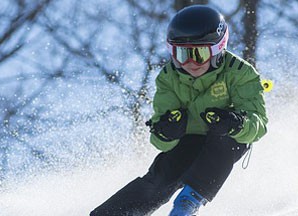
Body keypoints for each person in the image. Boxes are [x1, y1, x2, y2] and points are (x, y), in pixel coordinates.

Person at [91, 5, 267, 216]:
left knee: (225, 140)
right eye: (181, 54)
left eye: (199, 54)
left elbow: (259, 125)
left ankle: (187, 203)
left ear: (217, 49)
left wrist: (237, 123)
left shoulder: (240, 73)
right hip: (188, 140)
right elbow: (159, 142)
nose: (190, 63)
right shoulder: (169, 78)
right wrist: (166, 131)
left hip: (225, 140)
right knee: (163, 176)